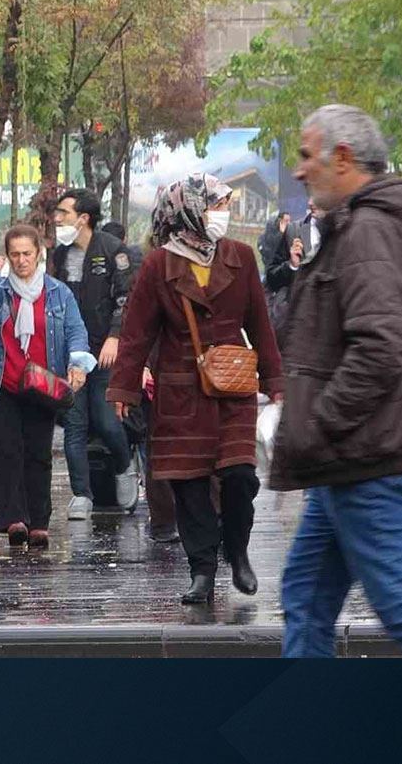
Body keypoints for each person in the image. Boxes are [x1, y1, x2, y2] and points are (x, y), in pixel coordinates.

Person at [271, 105, 402, 658]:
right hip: (351, 458)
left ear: (342, 158)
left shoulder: (368, 229)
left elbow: (379, 348)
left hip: (366, 457)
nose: (299, 170)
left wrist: (318, 425)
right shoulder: (371, 222)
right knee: (306, 596)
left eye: (306, 155)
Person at [108, 172, 284, 604]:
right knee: (188, 485)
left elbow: (260, 325)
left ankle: (237, 550)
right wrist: (124, 388)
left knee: (240, 476)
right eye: (216, 205)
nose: (223, 213)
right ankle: (202, 570)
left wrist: (275, 381)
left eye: (224, 205)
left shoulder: (241, 257)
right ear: (190, 210)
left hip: (233, 387)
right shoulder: (158, 265)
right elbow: (137, 334)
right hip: (180, 392)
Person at [0, 224, 95, 549]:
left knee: (38, 452)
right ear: (7, 256)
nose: (21, 261)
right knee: (6, 451)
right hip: (0, 384)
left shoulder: (58, 293)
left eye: (27, 254)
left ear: (39, 254)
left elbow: (75, 330)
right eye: (15, 255)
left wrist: (78, 363)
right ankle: (14, 521)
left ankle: (39, 522)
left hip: (40, 385)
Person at [50, 188, 139, 518]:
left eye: (64, 213)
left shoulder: (113, 249)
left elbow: (126, 299)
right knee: (74, 425)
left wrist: (115, 337)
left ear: (83, 218)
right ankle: (81, 495)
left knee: (105, 420)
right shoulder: (60, 255)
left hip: (104, 353)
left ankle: (124, 467)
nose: (58, 219)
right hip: (72, 353)